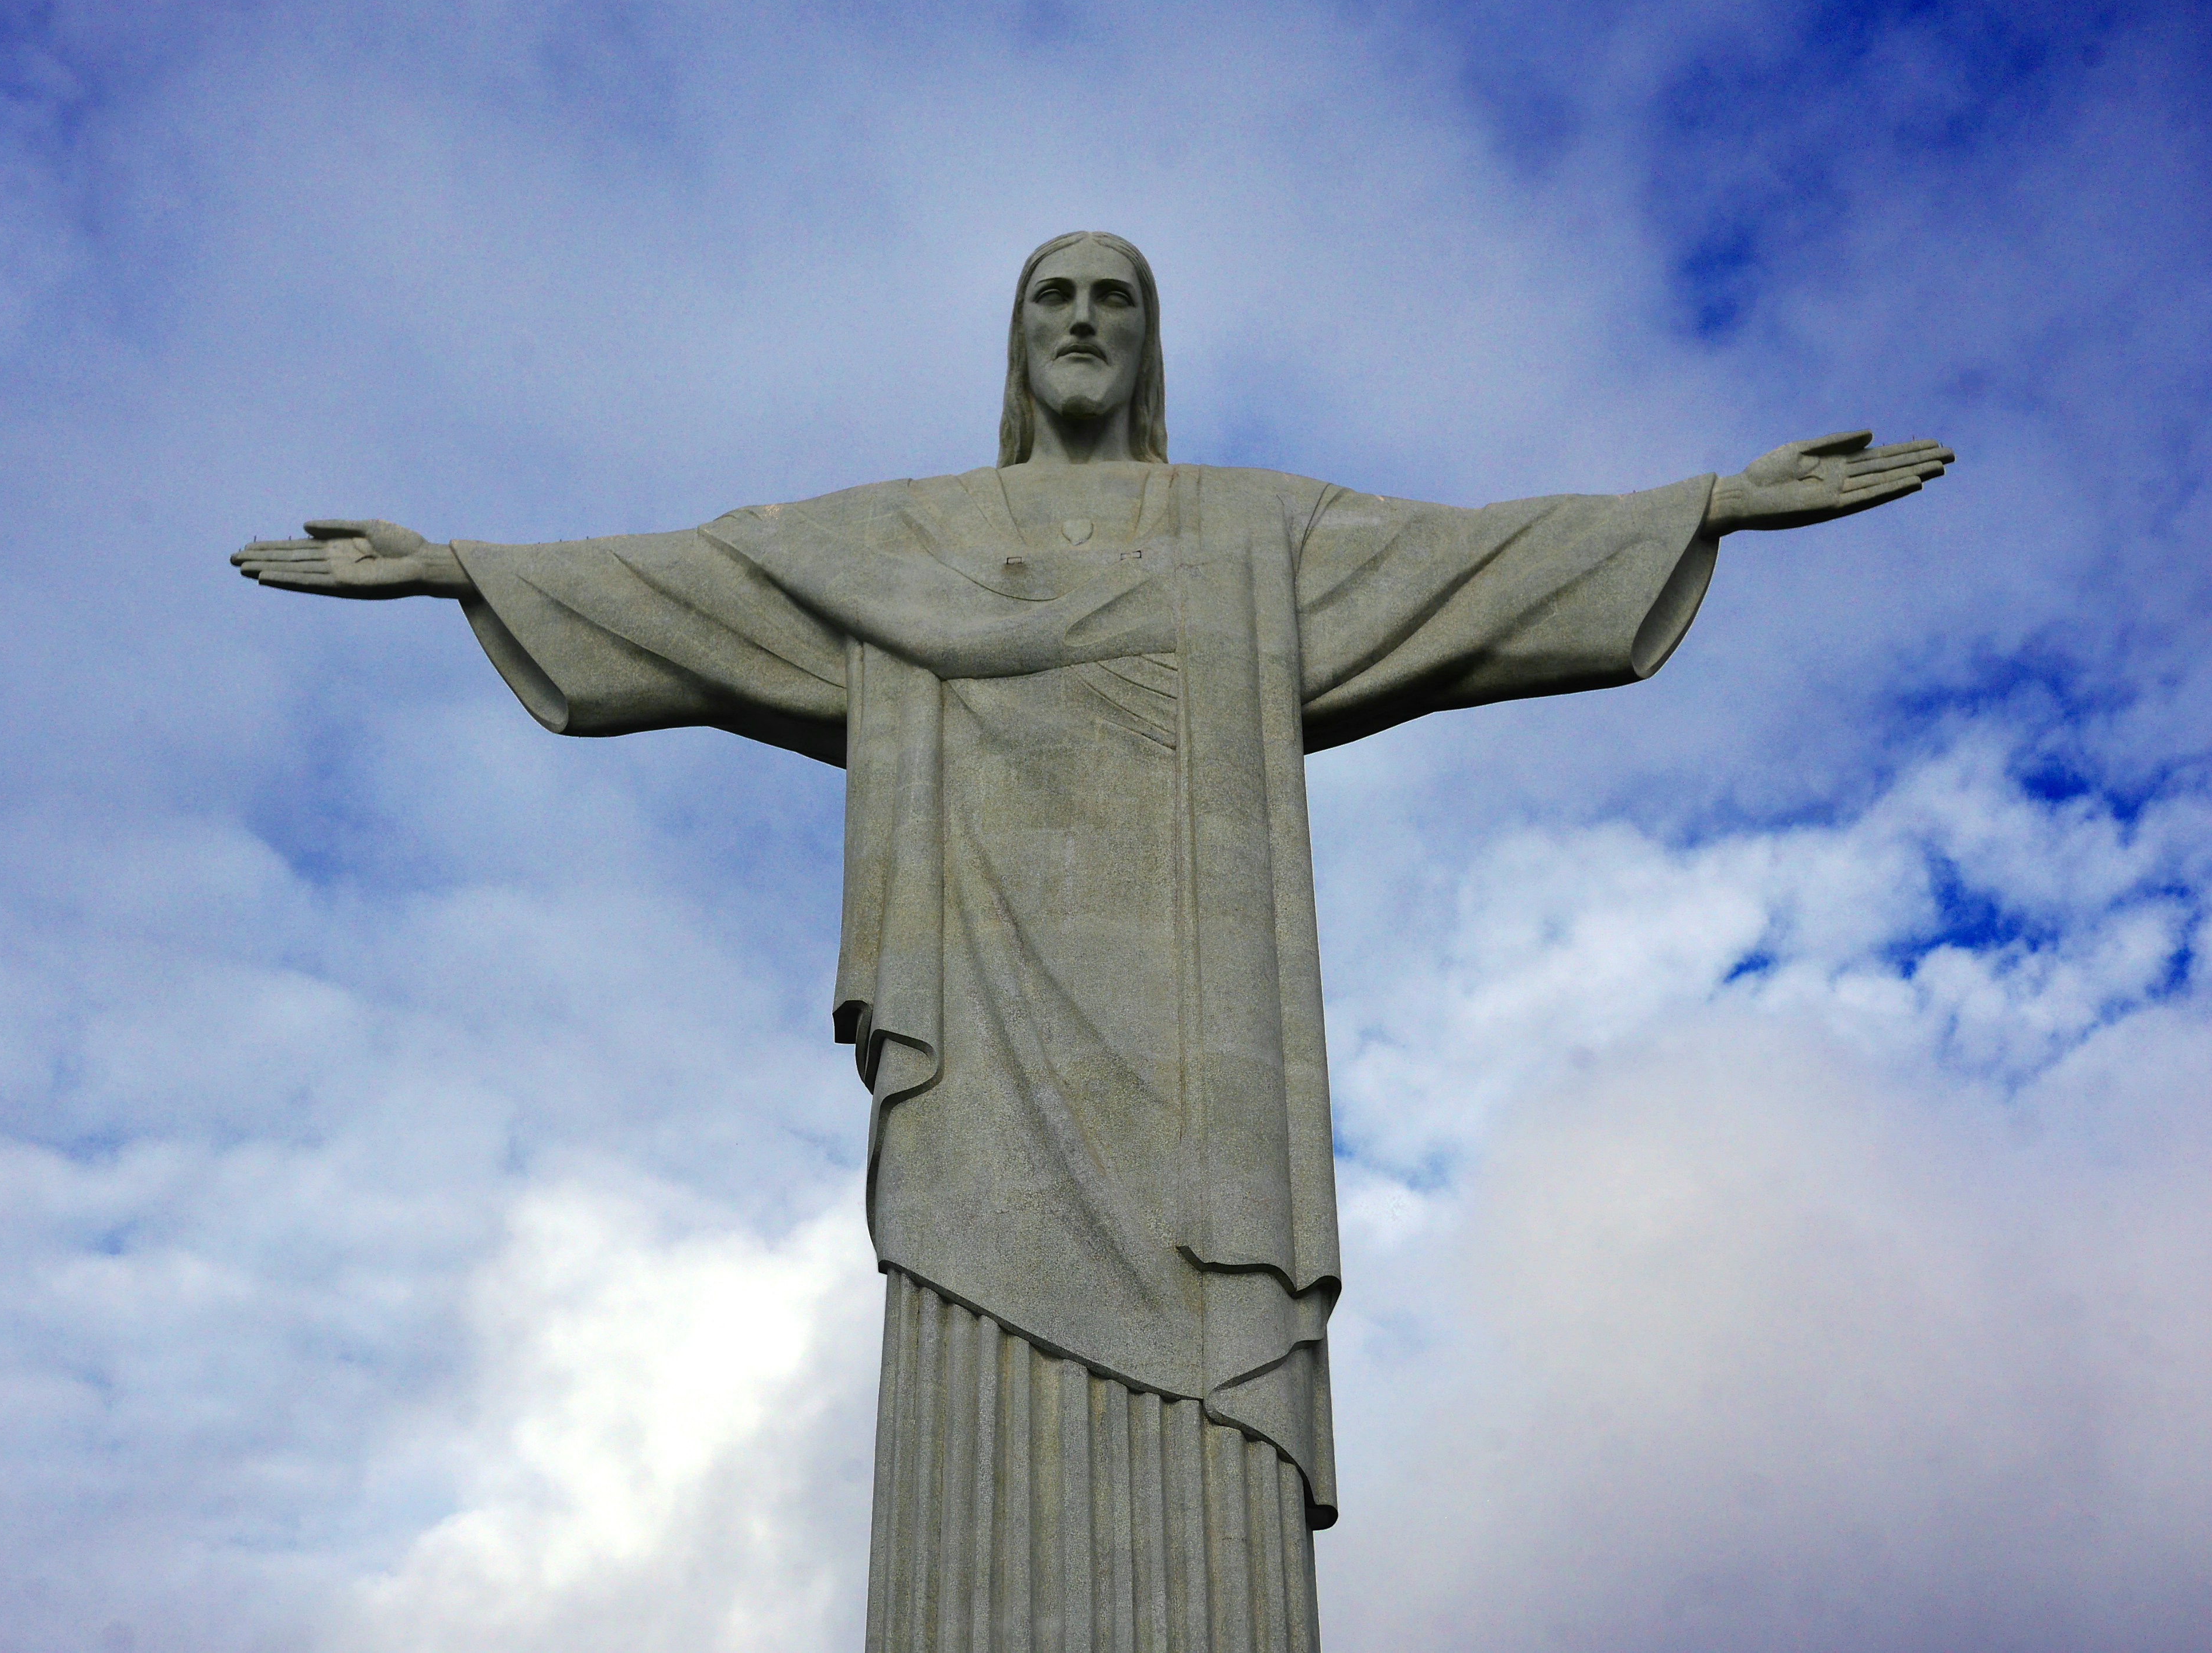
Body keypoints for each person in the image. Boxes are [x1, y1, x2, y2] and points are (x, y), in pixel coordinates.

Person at [234, 231, 1952, 1652]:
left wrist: (1708, 503)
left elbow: (1467, 565)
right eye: (1052, 298)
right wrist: (464, 566)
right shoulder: (905, 540)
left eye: (1112, 299)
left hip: (1202, 1094)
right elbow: (700, 584)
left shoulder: (1247, 533)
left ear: (1148, 348)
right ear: (1014, 344)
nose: (1081, 323)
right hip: (978, 1058)